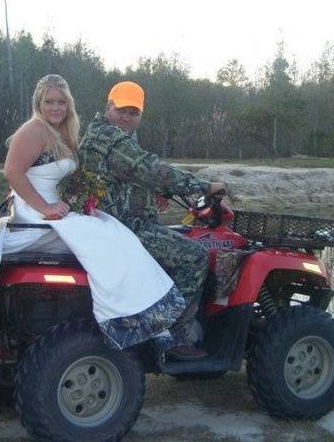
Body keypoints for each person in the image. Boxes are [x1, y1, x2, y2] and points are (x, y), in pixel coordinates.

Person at [0, 74, 187, 350]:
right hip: (36, 210)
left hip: (57, 207)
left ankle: (138, 311)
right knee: (110, 239)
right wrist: (46, 208)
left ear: (69, 104)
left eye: (61, 102)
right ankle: (123, 315)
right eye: (49, 101)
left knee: (114, 230)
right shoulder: (33, 130)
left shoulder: (64, 132)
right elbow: (12, 172)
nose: (56, 107)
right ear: (38, 103)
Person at [79, 81, 229, 361]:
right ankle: (174, 337)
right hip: (123, 227)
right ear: (108, 106)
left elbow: (133, 171)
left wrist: (156, 190)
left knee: (180, 237)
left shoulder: (111, 135)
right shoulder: (109, 137)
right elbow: (151, 168)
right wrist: (203, 186)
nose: (126, 116)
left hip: (113, 221)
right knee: (195, 257)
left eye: (133, 112)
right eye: (121, 109)